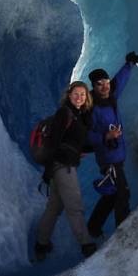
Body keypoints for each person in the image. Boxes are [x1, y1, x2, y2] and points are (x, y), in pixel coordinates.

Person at [35, 81, 97, 259]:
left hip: (63, 165)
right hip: (62, 166)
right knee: (74, 206)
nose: (79, 97)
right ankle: (86, 245)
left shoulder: (78, 115)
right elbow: (53, 142)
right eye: (76, 94)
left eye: (83, 95)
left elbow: (75, 143)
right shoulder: (64, 113)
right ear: (69, 95)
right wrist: (48, 169)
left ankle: (41, 244)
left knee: (54, 206)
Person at [86, 51, 138, 238]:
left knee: (111, 196)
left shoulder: (110, 98)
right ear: (93, 86)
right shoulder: (91, 108)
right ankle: (124, 234)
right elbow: (87, 136)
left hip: (116, 157)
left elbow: (120, 81)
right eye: (100, 84)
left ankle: (93, 227)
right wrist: (106, 136)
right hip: (109, 160)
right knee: (122, 194)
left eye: (106, 82)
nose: (105, 87)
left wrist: (129, 64)